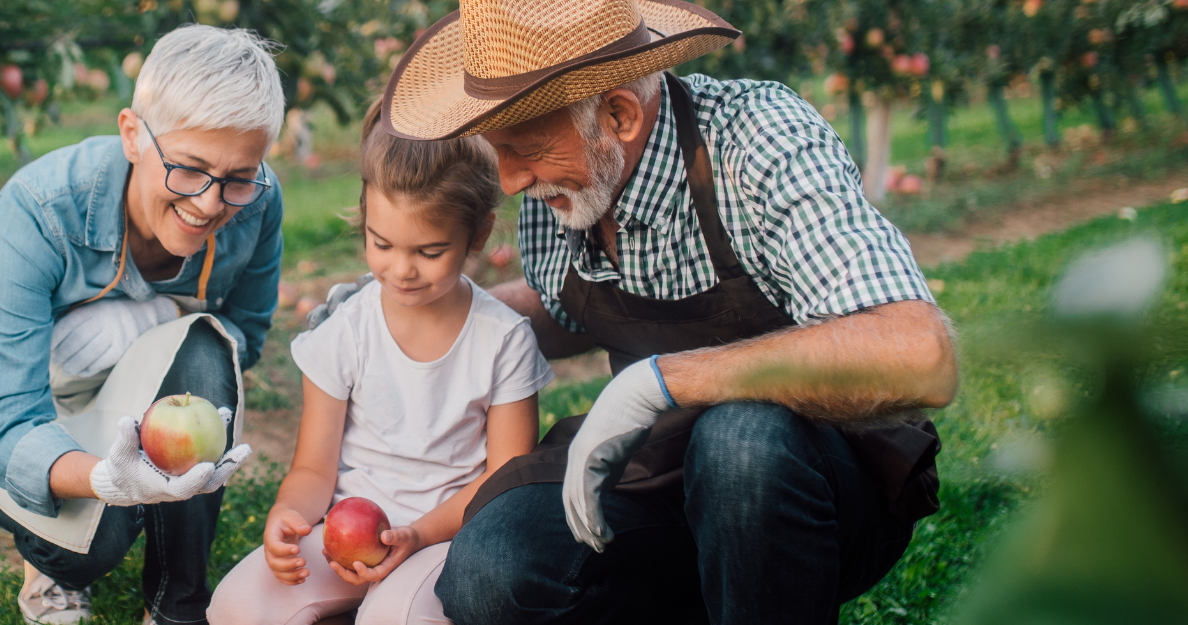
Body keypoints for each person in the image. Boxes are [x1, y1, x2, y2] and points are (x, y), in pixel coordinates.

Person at [310, 0, 962, 623]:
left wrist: (663, 381)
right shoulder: (564, 186)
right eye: (497, 149)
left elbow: (919, 353)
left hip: (804, 487)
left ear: (619, 114)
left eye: (526, 148)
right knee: (491, 568)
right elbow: (564, 313)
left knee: (741, 442)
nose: (509, 181)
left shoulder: (756, 143)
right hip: (663, 469)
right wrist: (412, 311)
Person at [0, 25, 287, 625]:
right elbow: (7, 421)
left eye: (239, 176)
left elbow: (247, 336)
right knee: (91, 544)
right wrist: (110, 481)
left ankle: (178, 608)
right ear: (132, 135)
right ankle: (52, 569)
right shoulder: (39, 206)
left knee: (205, 344)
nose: (211, 203)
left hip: (123, 399)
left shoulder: (259, 200)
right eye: (188, 168)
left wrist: (159, 317)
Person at [209, 100, 553, 625]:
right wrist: (289, 515)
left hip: (443, 537)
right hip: (346, 533)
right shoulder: (347, 330)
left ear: (479, 235)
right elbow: (313, 468)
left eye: (429, 252)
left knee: (393, 618)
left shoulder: (503, 340)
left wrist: (419, 534)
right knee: (237, 607)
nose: (402, 270)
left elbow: (502, 480)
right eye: (382, 244)